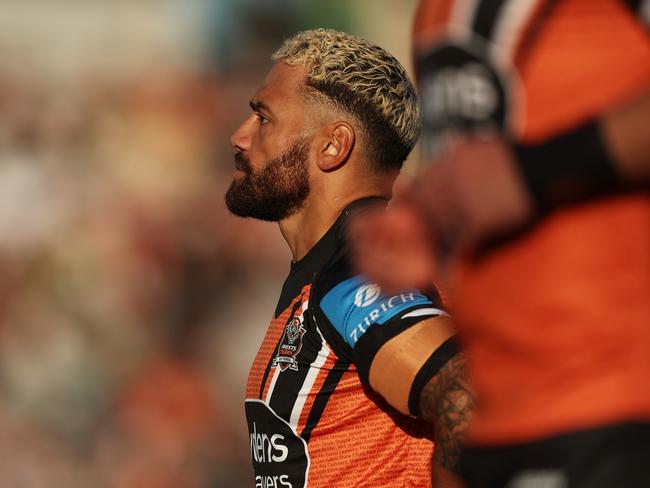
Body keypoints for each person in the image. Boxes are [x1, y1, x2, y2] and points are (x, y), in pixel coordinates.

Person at [351, 1, 650, 487]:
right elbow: (489, 171)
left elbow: (511, 173)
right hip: (497, 426)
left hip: (613, 409)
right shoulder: (436, 12)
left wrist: (533, 173)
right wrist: (430, 220)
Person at [225, 28, 472, 487]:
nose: (239, 137)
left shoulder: (357, 270)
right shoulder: (329, 270)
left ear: (333, 146)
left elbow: (466, 394)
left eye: (264, 119)